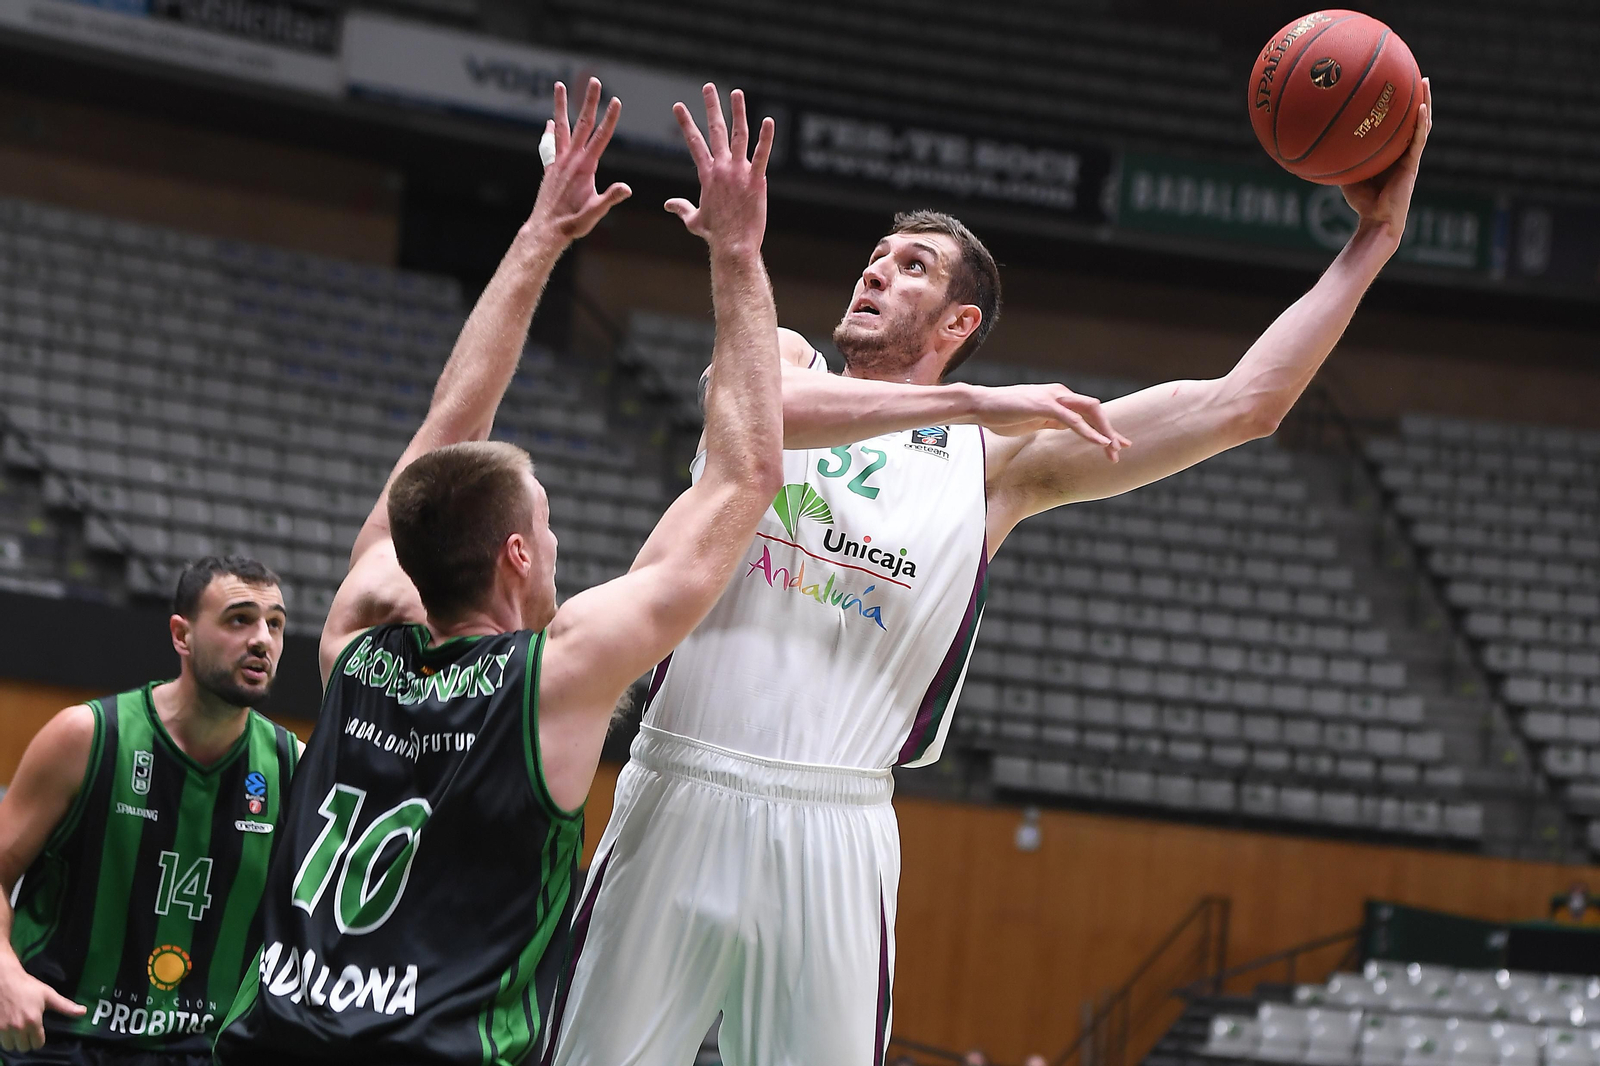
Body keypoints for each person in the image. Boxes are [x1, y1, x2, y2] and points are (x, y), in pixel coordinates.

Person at [548, 84, 1436, 1066]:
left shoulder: (996, 463)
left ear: (958, 318)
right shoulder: (785, 361)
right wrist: (975, 394)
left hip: (836, 828)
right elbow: (755, 413)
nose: (876, 274)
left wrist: (1373, 243)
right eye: (876, 258)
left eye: (911, 265)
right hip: (681, 781)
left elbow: (1245, 404)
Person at [211, 78, 784, 1065]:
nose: (555, 542)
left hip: (276, 1040)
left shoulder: (354, 639)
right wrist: (736, 252)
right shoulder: (552, 679)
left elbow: (445, 432)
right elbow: (748, 478)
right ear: (518, 554)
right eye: (547, 525)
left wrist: (539, 235)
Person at [0, 556, 298, 1063]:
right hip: (60, 1040)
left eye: (275, 624)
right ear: (182, 636)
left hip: (201, 1052)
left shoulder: (293, 767)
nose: (262, 640)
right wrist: (5, 974)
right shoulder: (87, 737)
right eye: (239, 619)